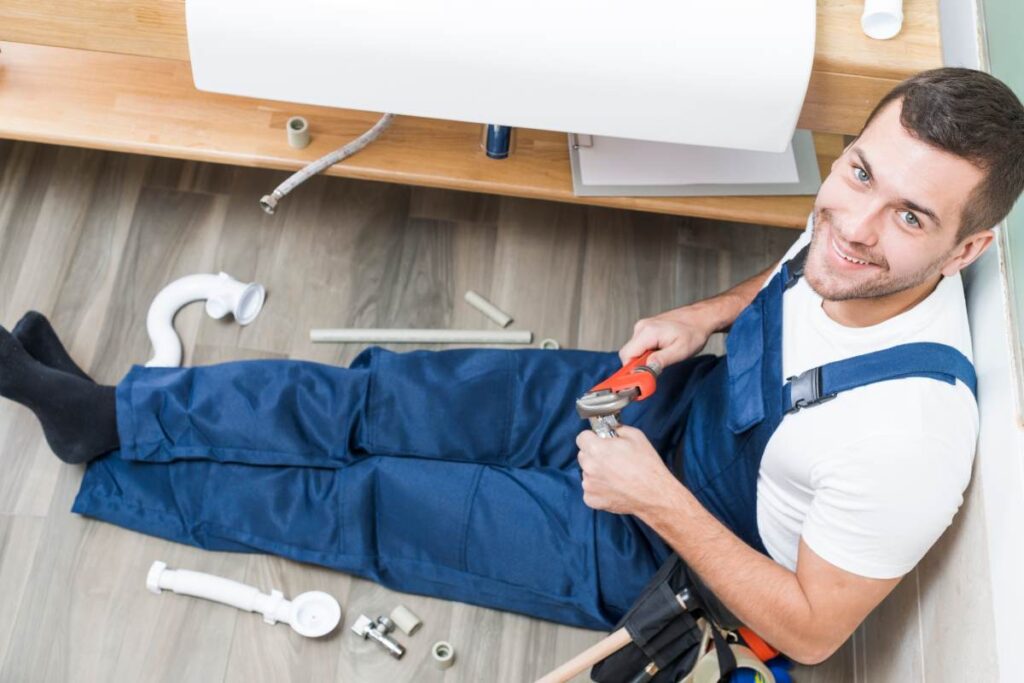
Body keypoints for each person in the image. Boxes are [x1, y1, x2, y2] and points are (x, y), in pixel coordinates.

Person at [1, 67, 1022, 665]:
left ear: (964, 248)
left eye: (910, 215)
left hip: (670, 552)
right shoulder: (852, 225)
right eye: (857, 173)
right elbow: (808, 276)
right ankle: (106, 412)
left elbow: (806, 632)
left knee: (374, 502)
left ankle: (121, 465)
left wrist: (653, 497)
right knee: (381, 396)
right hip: (666, 411)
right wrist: (699, 318)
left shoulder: (910, 438)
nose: (854, 223)